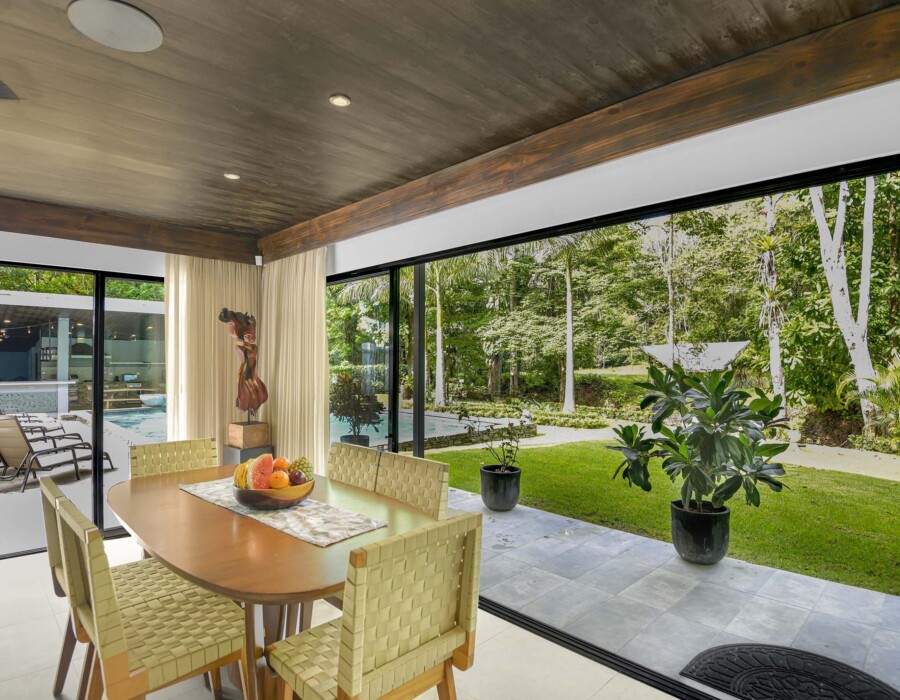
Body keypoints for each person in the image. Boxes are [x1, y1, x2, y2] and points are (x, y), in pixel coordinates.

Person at [219, 308, 268, 415]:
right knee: (242, 386)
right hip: (245, 370)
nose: (250, 339)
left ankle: (253, 405)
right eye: (247, 337)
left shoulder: (253, 347)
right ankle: (246, 404)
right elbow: (244, 354)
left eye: (252, 337)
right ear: (243, 336)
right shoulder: (240, 347)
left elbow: (252, 353)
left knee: (257, 388)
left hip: (252, 371)